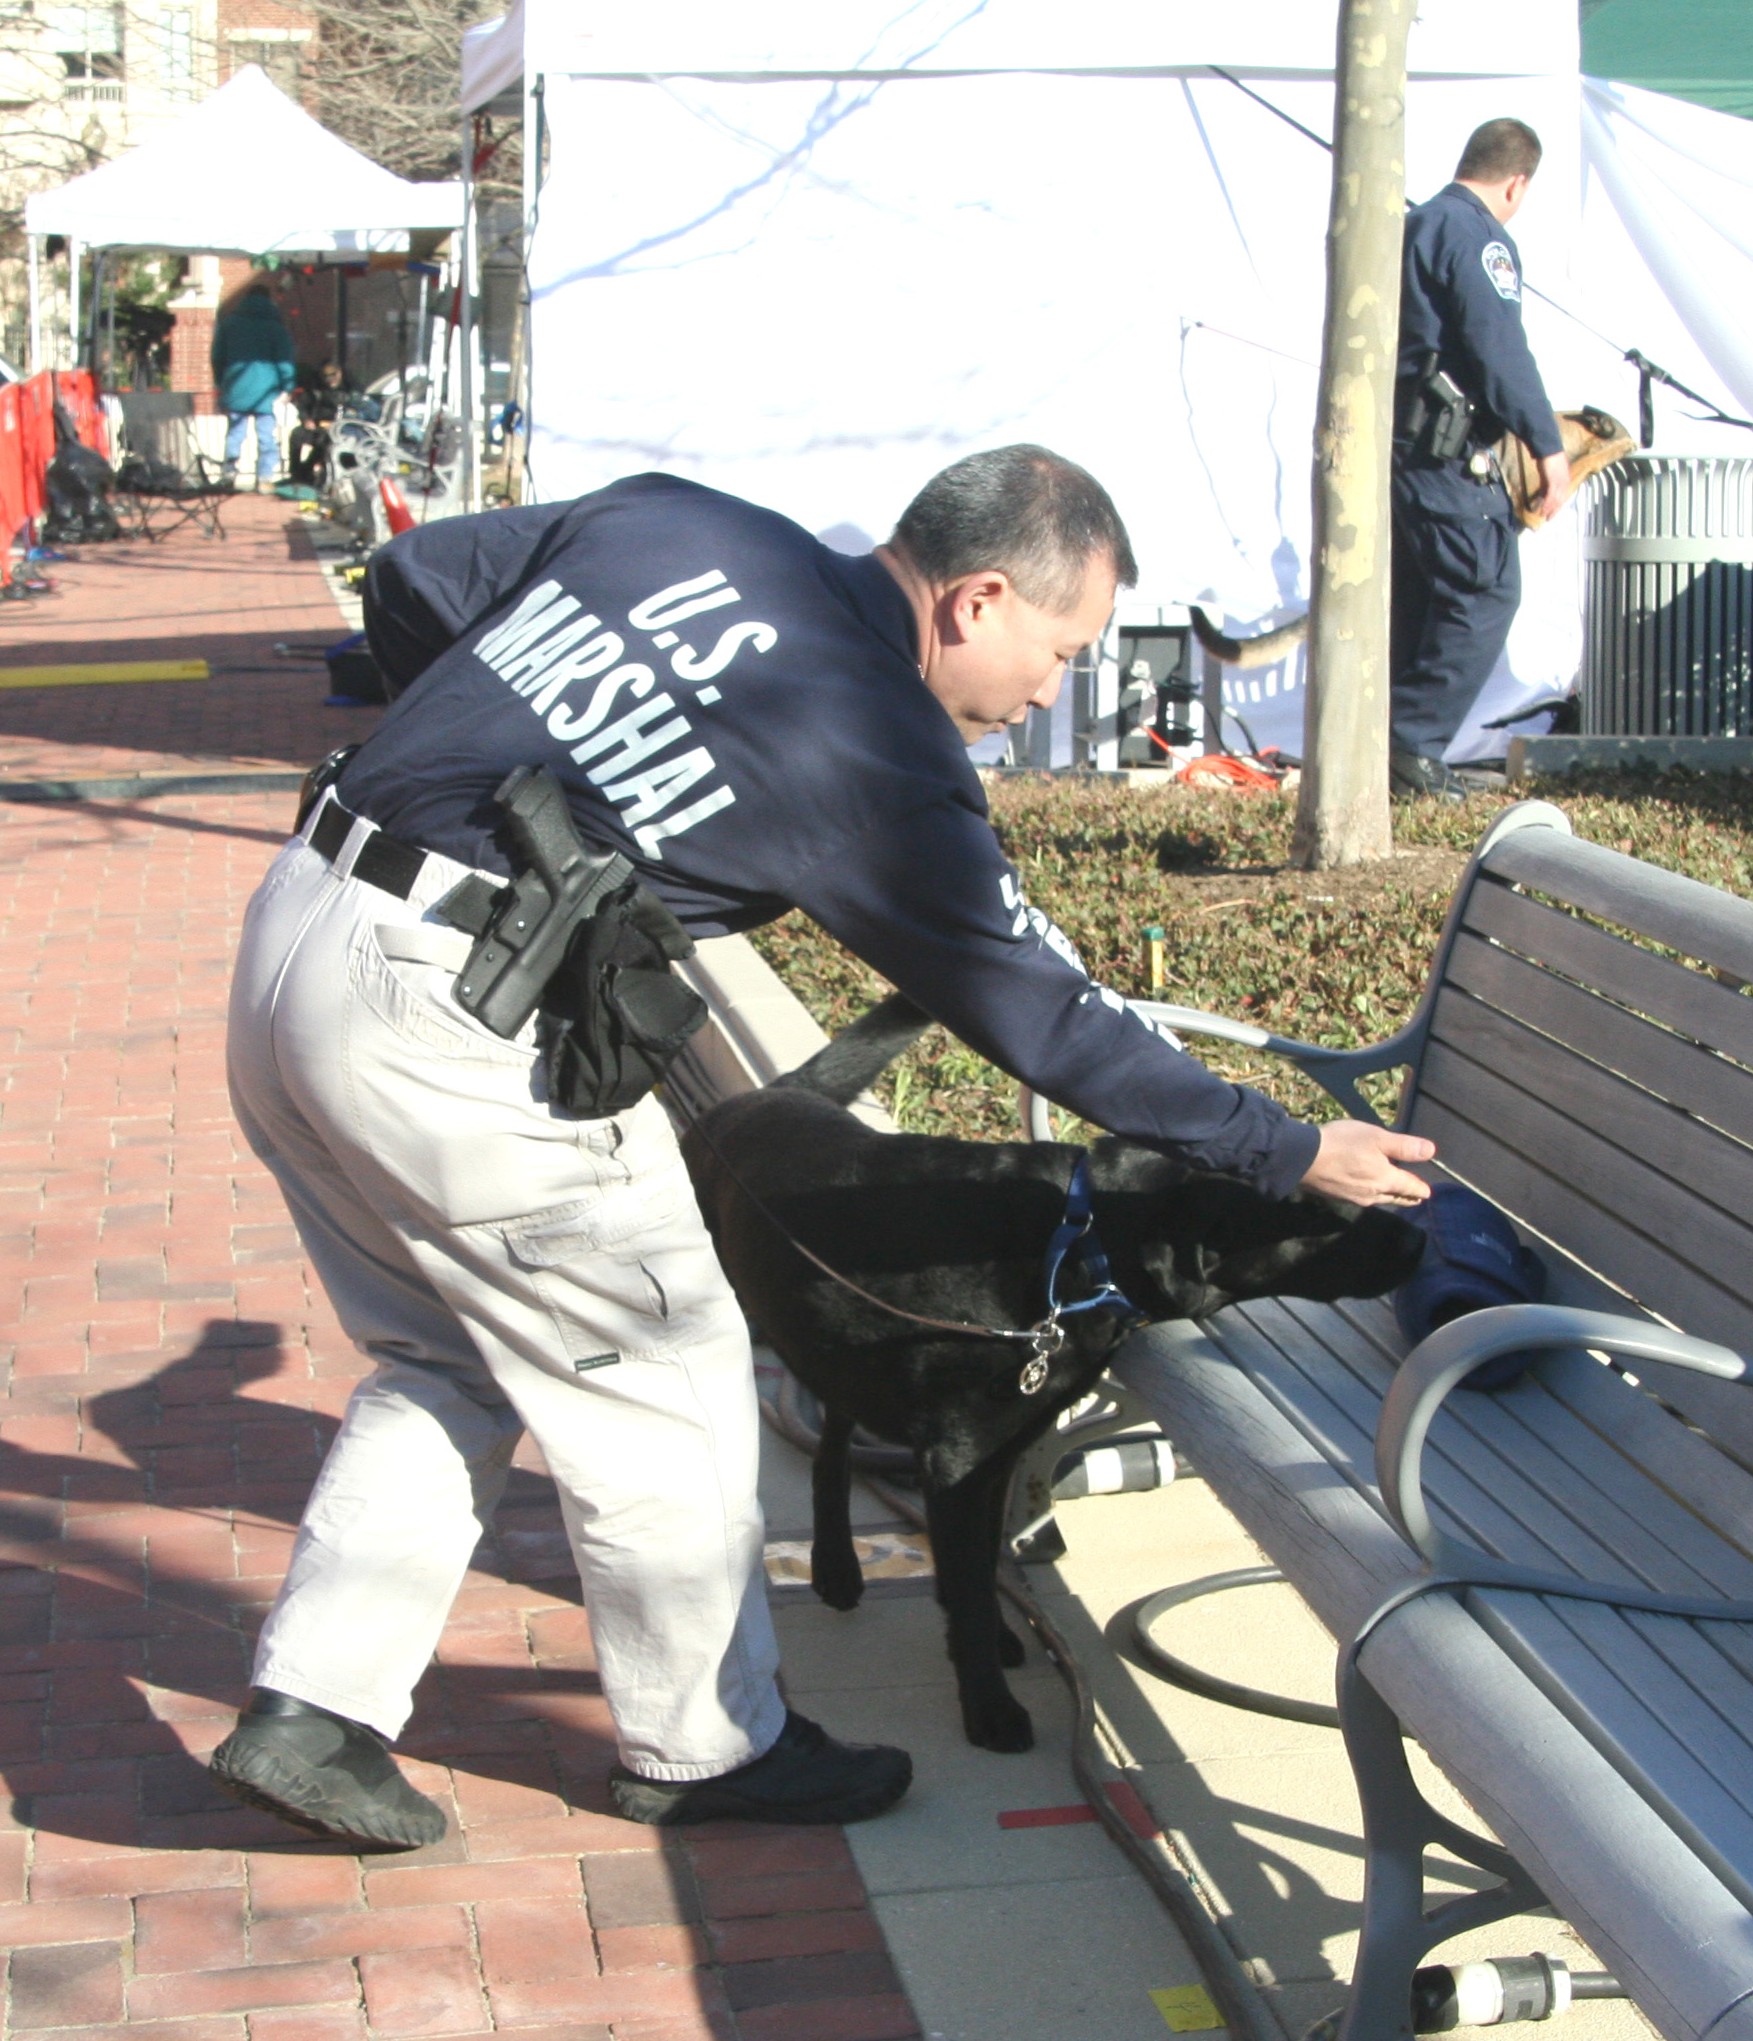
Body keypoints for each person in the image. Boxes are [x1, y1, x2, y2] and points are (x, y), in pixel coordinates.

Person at [210, 447, 1434, 1848]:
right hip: (450, 1012)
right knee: (664, 1371)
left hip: (300, 926)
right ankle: (708, 1750)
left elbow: (421, 579)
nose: (1054, 689)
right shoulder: (877, 751)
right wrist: (1282, 1150)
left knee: (447, 1354)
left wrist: (517, 775)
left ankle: (312, 1710)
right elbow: (1042, 1014)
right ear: (976, 601)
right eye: (1060, 648)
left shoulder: (682, 517)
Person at [1390, 118, 1572, 800]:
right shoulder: (1476, 236)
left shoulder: (1415, 224)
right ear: (1516, 184)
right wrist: (1546, 447)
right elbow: (1498, 347)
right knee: (1484, 591)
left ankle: (1391, 753)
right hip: (1444, 451)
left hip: (1404, 452)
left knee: (1420, 601)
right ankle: (1409, 745)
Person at [211, 282, 296, 489]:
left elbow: (217, 356)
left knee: (235, 433)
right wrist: (288, 386)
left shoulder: (229, 324)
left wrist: (221, 382)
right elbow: (284, 360)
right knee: (266, 436)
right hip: (267, 391)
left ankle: (229, 473)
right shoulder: (275, 327)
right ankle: (264, 478)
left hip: (236, 386)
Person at [288, 363, 346, 490]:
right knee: (296, 435)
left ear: (339, 373)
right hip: (316, 426)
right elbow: (303, 407)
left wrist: (337, 424)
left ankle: (313, 473)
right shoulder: (316, 391)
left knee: (324, 442)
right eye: (326, 376)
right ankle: (296, 473)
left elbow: (353, 412)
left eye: (333, 375)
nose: (330, 379)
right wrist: (306, 420)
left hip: (339, 429)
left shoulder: (347, 390)